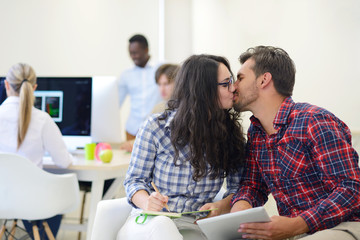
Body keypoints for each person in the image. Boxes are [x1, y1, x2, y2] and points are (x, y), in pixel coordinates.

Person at [231, 46, 360, 240]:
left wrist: (298, 224)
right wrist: (241, 206)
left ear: (264, 80)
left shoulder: (314, 120)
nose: (233, 87)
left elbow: (351, 190)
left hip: (343, 226)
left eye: (240, 78)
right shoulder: (256, 133)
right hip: (296, 233)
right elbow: (253, 185)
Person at [117, 54, 246, 240]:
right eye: (226, 83)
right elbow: (134, 180)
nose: (233, 88)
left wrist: (221, 206)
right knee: (163, 226)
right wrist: (147, 202)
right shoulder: (155, 127)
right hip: (150, 222)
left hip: (195, 226)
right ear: (205, 90)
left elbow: (238, 188)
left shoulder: (231, 135)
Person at [0, 63, 73, 239]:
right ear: (34, 88)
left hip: (1, 199)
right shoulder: (42, 119)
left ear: (6, 85)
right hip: (32, 202)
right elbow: (64, 162)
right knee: (55, 194)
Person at [119, 63, 179, 152]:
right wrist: (132, 143)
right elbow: (147, 136)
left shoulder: (185, 108)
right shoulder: (159, 108)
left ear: (178, 83)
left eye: (166, 84)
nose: (161, 89)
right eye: (159, 84)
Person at [118, 34, 161, 141]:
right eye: (130, 53)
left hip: (156, 129)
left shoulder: (160, 69)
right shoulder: (126, 74)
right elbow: (117, 102)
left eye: (135, 53)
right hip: (132, 130)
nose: (133, 56)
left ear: (146, 50)